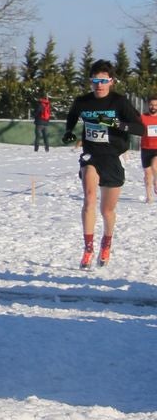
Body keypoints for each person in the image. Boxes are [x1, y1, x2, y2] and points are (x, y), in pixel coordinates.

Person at [61, 61, 144, 268]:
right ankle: (87, 249)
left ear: (111, 82)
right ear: (91, 82)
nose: (99, 85)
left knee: (107, 210)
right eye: (95, 81)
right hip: (91, 155)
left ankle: (106, 243)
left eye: (103, 81)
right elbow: (72, 116)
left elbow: (140, 129)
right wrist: (69, 131)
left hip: (113, 157)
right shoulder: (83, 102)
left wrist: (116, 124)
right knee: (89, 199)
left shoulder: (119, 102)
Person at [140, 95, 157, 204]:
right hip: (146, 148)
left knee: (155, 165)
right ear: (148, 105)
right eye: (151, 105)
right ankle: (149, 196)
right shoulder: (142, 118)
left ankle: (156, 181)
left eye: (156, 105)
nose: (153, 107)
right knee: (147, 174)